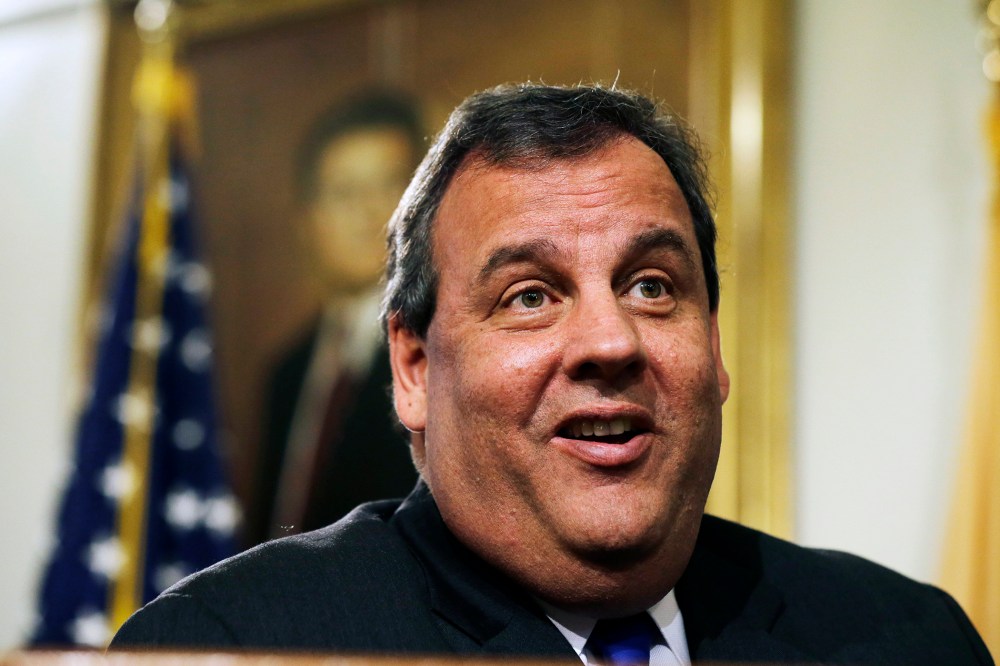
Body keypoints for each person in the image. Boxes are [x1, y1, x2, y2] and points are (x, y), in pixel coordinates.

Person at [112, 83, 992, 664]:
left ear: (715, 349)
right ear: (414, 369)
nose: (609, 343)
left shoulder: (908, 640)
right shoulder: (233, 649)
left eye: (653, 286)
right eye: (530, 297)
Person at [249, 91, 421, 544]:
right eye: (345, 192)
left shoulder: (437, 352)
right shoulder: (286, 374)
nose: (370, 212)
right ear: (308, 219)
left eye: (389, 185)